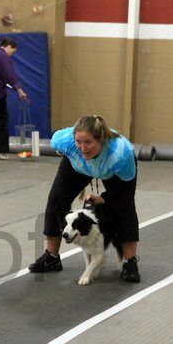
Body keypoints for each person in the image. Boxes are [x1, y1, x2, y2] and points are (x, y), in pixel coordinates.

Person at [28, 115, 141, 283]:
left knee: (124, 206)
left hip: (111, 170)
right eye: (78, 142)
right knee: (56, 202)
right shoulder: (65, 142)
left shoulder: (120, 155)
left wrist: (104, 198)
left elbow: (124, 190)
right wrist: (69, 150)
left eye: (88, 142)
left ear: (101, 139)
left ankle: (130, 263)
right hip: (77, 166)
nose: (83, 147)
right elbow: (57, 136)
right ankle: (51, 257)